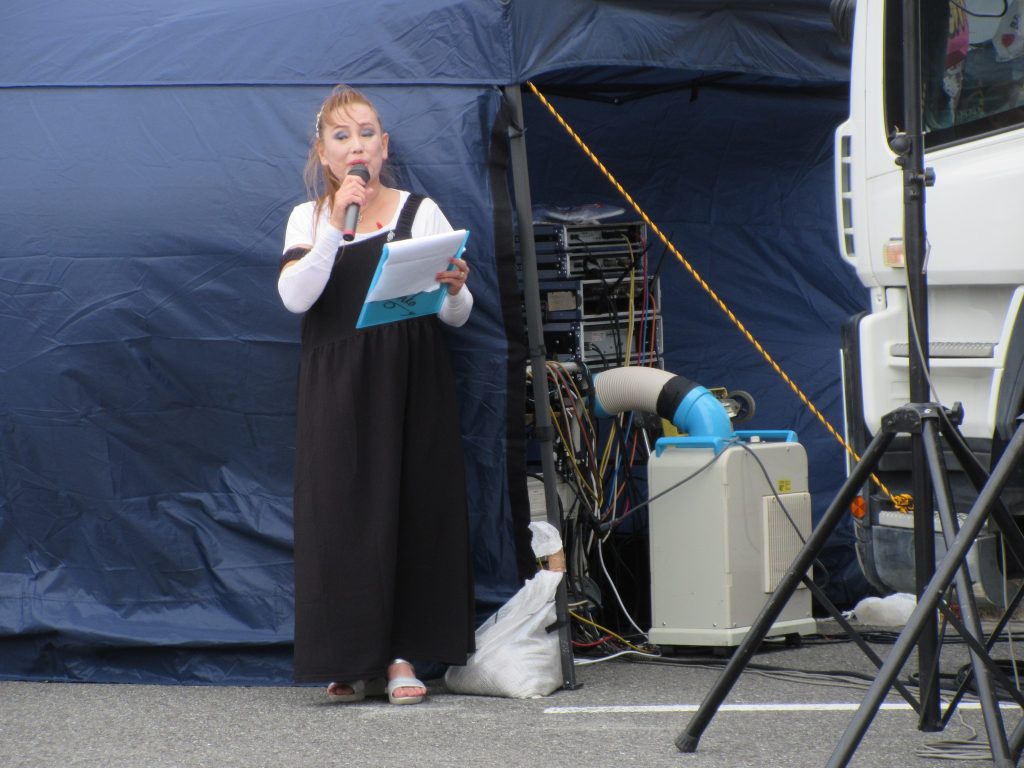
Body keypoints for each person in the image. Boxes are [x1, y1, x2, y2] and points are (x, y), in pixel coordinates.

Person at [277, 85, 475, 705]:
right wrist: (336, 226)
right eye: (341, 136)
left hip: (410, 377)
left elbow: (456, 315)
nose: (356, 146)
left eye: (366, 133)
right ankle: (348, 656)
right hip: (338, 384)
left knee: (410, 509)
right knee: (340, 513)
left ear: (384, 146)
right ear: (323, 152)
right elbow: (295, 297)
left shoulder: (421, 211)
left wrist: (455, 289)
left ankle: (400, 657)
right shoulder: (308, 218)